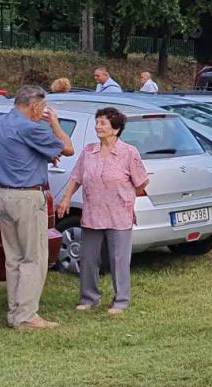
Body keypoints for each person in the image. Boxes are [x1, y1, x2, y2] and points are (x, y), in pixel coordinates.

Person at [0, 85, 75, 329]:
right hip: (27, 197)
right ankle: (27, 316)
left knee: (14, 258)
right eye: (44, 108)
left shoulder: (1, 123)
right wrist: (55, 123)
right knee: (34, 258)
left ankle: (15, 312)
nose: (44, 112)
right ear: (35, 105)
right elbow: (68, 148)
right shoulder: (30, 127)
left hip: (4, 195)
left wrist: (43, 154)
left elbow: (18, 151)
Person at [56, 107, 148, 315]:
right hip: (93, 211)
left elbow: (141, 182)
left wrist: (125, 196)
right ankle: (89, 298)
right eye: (97, 122)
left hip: (119, 213)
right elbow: (77, 177)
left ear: (115, 129)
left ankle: (121, 300)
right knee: (88, 258)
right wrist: (67, 198)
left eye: (103, 123)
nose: (98, 126)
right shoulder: (89, 151)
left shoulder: (129, 152)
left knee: (118, 259)